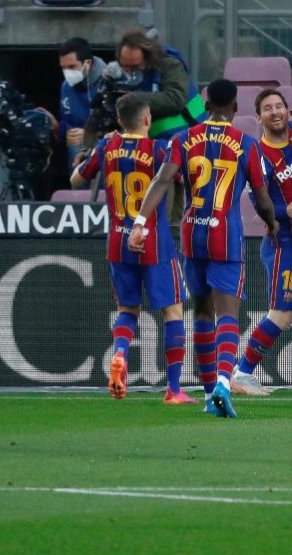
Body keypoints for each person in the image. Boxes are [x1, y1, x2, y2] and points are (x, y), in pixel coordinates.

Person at [128, 79, 277, 418]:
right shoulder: (247, 144)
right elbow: (262, 197)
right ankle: (224, 382)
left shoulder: (183, 138)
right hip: (225, 233)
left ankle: (210, 391)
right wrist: (272, 224)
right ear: (236, 108)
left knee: (201, 311)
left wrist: (140, 221)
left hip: (193, 232)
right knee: (228, 313)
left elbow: (163, 180)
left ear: (206, 105)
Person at [70, 94, 193, 404]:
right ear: (148, 119)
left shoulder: (106, 147)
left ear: (120, 121)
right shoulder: (159, 148)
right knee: (172, 310)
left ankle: (121, 353)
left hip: (118, 240)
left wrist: (83, 157)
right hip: (154, 241)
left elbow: (75, 181)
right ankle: (174, 389)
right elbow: (182, 177)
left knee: (127, 309)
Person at [229, 89, 292, 397]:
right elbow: (256, 198)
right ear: (259, 117)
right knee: (282, 313)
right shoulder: (257, 153)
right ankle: (242, 372)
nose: (276, 112)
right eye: (268, 108)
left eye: (280, 106)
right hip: (285, 244)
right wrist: (284, 211)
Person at [83, 28, 205, 147]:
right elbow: (101, 117)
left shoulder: (170, 65)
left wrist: (134, 99)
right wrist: (88, 150)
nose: (129, 71)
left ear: (148, 58)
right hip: (154, 145)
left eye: (135, 66)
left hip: (190, 138)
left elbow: (175, 99)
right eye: (124, 65)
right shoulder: (117, 76)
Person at [58, 37, 105, 172]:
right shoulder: (66, 87)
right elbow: (67, 122)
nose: (67, 73)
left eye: (72, 67)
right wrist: (58, 128)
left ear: (88, 64)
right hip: (77, 154)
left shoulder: (110, 82)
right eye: (63, 68)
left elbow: (126, 127)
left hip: (106, 146)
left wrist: (91, 135)